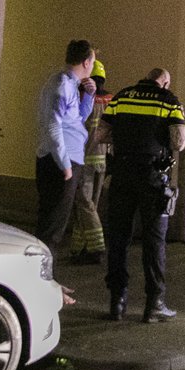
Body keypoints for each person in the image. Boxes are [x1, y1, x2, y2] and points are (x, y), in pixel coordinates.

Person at [101, 67, 185, 323]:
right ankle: (154, 304)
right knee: (153, 242)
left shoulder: (122, 97)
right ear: (165, 82)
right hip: (152, 178)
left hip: (121, 176)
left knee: (118, 239)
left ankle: (117, 302)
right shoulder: (169, 100)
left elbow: (102, 134)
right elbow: (179, 142)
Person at [35, 39, 96, 257]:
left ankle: (48, 282)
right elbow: (54, 125)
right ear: (87, 62)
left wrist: (89, 95)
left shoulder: (68, 84)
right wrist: (65, 166)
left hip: (66, 159)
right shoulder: (61, 85)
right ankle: (41, 282)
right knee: (51, 228)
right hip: (61, 162)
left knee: (55, 226)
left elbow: (76, 119)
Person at [66, 59, 111, 265]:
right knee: (89, 205)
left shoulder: (84, 98)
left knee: (84, 205)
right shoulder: (111, 100)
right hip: (102, 161)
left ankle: (96, 248)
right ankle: (79, 247)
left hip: (83, 159)